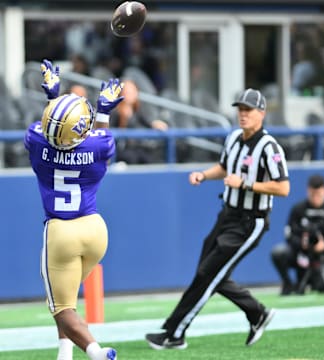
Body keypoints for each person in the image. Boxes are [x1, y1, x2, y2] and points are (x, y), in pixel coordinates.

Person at [145, 88, 290, 350]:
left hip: (250, 221)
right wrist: (203, 174)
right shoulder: (234, 137)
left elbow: (283, 188)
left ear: (261, 113)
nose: (242, 115)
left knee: (208, 273)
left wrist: (246, 183)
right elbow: (225, 167)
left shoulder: (269, 147)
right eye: (240, 109)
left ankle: (175, 333)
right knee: (208, 273)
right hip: (227, 214)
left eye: (248, 110)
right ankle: (257, 313)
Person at [24, 59, 124, 360]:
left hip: (61, 231)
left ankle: (96, 352)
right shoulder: (99, 145)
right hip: (95, 230)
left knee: (61, 305)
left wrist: (52, 95)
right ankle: (64, 352)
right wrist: (104, 111)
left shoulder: (35, 139)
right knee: (66, 296)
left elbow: (53, 128)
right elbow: (99, 138)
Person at [271, 174, 324, 295]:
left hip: (321, 258)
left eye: (319, 194)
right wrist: (302, 244)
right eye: (313, 194)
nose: (316, 198)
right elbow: (289, 233)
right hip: (299, 254)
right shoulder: (298, 209)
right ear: (308, 191)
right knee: (278, 253)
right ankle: (288, 283)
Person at [110, 79, 168, 164]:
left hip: (137, 148)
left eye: (132, 91)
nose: (130, 94)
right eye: (127, 91)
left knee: (151, 158)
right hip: (122, 151)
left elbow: (147, 122)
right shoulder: (115, 112)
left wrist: (155, 124)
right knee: (132, 157)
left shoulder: (138, 111)